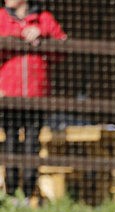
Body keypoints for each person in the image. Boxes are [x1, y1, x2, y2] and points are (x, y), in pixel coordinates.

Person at [0, 0, 67, 199]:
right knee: (10, 141)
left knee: (32, 143)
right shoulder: (2, 18)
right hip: (9, 94)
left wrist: (42, 35)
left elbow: (62, 46)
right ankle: (11, 194)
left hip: (36, 95)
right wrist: (17, 36)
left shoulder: (44, 18)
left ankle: (28, 194)